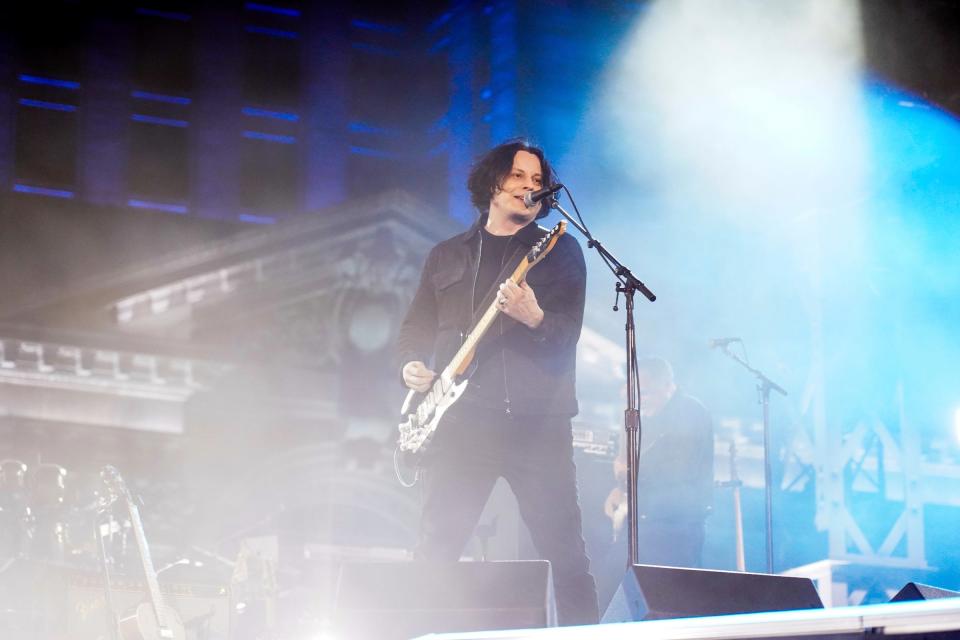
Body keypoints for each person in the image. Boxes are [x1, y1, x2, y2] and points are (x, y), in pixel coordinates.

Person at [396, 140, 599, 626]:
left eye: (537, 182)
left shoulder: (559, 250)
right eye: (519, 177)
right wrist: (409, 364)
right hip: (463, 427)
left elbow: (568, 335)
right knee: (436, 550)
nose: (530, 188)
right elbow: (414, 328)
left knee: (566, 554)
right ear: (493, 182)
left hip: (538, 427)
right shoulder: (445, 256)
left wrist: (534, 317)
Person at [599, 356, 714, 604]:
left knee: (665, 603)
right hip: (644, 522)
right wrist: (621, 489)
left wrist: (628, 475)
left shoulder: (690, 413)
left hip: (676, 528)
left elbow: (677, 472)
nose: (639, 400)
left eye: (646, 393)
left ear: (667, 385)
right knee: (609, 591)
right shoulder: (644, 415)